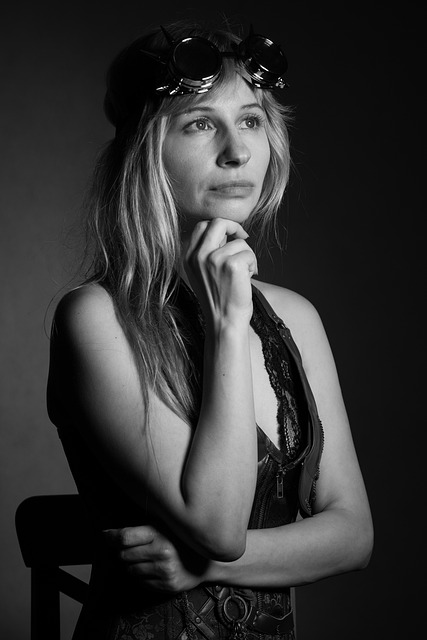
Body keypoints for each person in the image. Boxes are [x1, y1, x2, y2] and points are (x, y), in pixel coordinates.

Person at [47, 20, 373, 640]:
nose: (237, 151)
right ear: (146, 150)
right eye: (200, 123)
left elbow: (354, 536)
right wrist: (226, 321)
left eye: (250, 120)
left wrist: (201, 566)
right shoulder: (95, 318)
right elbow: (218, 527)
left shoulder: (297, 317)